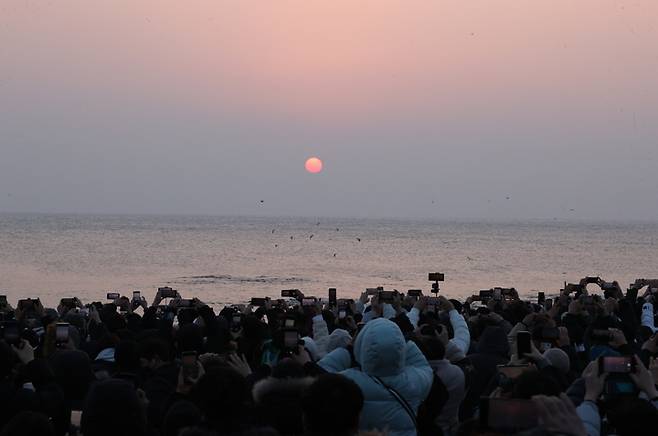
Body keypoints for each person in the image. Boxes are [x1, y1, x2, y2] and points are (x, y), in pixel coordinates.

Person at [319, 318, 433, 436]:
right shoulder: (413, 382)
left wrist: (350, 348)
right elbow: (423, 366)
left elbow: (321, 372)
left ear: (362, 347)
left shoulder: (349, 382)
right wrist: (402, 344)